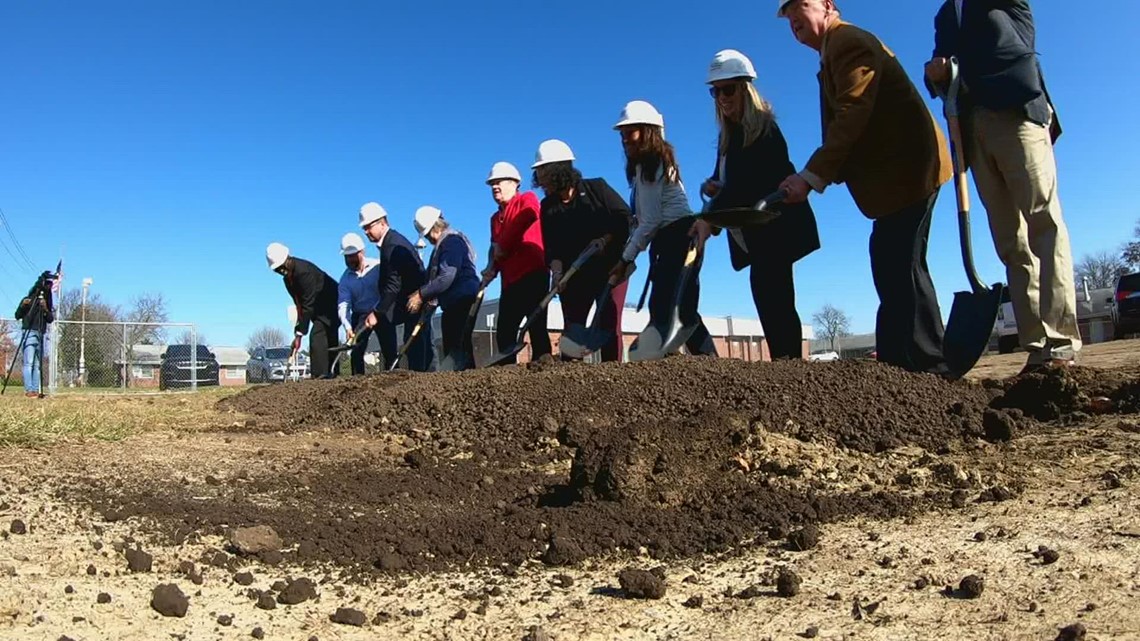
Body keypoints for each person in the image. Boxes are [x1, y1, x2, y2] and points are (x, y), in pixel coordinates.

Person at [775, 0, 953, 376]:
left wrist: (810, 176)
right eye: (787, 16)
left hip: (909, 170)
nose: (793, 19)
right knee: (893, 260)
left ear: (827, 6)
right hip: (900, 177)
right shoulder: (832, 52)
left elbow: (853, 113)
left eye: (800, 8)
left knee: (898, 263)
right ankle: (900, 367)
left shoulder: (847, 42)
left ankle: (924, 366)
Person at [923, 0, 1079, 375]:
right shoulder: (947, 14)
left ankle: (1060, 341)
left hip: (1016, 114)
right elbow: (940, 71)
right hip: (971, 129)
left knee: (1043, 221)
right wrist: (935, 72)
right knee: (1010, 241)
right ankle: (1037, 345)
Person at [691, 50, 821, 360]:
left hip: (775, 230)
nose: (721, 97)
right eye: (715, 91)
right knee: (767, 297)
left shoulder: (763, 129)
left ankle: (789, 367)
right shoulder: (730, 136)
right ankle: (786, 365)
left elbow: (748, 184)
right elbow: (731, 180)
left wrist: (709, 219)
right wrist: (712, 185)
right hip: (757, 235)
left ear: (746, 88)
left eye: (728, 89)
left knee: (775, 299)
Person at [607, 100, 718, 357]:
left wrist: (626, 258)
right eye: (622, 134)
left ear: (648, 131)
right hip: (668, 240)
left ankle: (709, 366)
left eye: (630, 131)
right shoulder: (644, 167)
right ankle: (699, 364)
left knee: (674, 309)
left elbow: (651, 220)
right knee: (674, 309)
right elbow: (645, 219)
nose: (624, 139)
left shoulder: (651, 163)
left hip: (680, 237)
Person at [531, 139, 633, 362]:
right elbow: (552, 248)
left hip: (610, 269)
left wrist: (605, 239)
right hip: (574, 274)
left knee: (608, 324)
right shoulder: (548, 206)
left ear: (558, 171)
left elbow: (626, 219)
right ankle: (569, 382)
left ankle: (613, 374)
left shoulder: (597, 189)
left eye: (542, 173)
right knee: (573, 328)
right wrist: (557, 274)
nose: (539, 181)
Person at [481, 161, 552, 364]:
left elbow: (529, 216)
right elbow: (495, 248)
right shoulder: (495, 218)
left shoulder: (527, 200)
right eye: (492, 183)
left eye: (500, 181)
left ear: (514, 183)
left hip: (533, 273)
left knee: (536, 325)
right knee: (504, 331)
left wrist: (504, 244)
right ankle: (507, 377)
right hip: (509, 281)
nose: (495, 186)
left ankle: (544, 368)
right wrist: (490, 269)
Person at [358, 202, 434, 372]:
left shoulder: (391, 245)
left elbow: (393, 285)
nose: (365, 232)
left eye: (368, 226)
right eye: (364, 228)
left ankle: (423, 384)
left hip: (416, 302)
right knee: (417, 345)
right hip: (411, 302)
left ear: (382, 222)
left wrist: (378, 312)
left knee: (416, 347)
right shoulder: (390, 243)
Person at [412, 206, 480, 370]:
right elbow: (435, 279)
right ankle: (460, 379)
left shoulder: (452, 241)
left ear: (435, 228)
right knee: (453, 342)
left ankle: (465, 380)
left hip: (463, 298)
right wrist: (430, 300)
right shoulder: (441, 246)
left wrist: (420, 294)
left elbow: (446, 277)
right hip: (453, 300)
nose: (428, 239)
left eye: (428, 235)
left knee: (458, 344)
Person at [266, 242, 341, 378]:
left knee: (317, 336)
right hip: (317, 309)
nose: (281, 271)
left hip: (332, 304)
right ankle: (332, 375)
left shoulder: (303, 272)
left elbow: (307, 303)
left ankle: (321, 377)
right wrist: (297, 331)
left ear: (287, 259)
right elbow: (299, 305)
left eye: (282, 267)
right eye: (277, 270)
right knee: (326, 339)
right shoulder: (288, 280)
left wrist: (301, 333)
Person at [336, 232, 385, 374]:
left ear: (362, 252)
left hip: (380, 310)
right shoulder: (345, 280)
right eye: (347, 257)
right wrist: (348, 326)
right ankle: (357, 382)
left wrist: (379, 311)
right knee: (356, 351)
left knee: (389, 347)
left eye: (353, 256)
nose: (350, 260)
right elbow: (343, 305)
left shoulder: (378, 267)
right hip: (361, 315)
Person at [13, 272, 55, 398]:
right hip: (29, 331)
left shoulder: (45, 303)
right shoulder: (28, 300)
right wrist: (22, 306)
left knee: (37, 365)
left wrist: (46, 309)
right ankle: (29, 389)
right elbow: (17, 315)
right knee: (29, 362)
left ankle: (36, 389)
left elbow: (50, 319)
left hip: (41, 333)